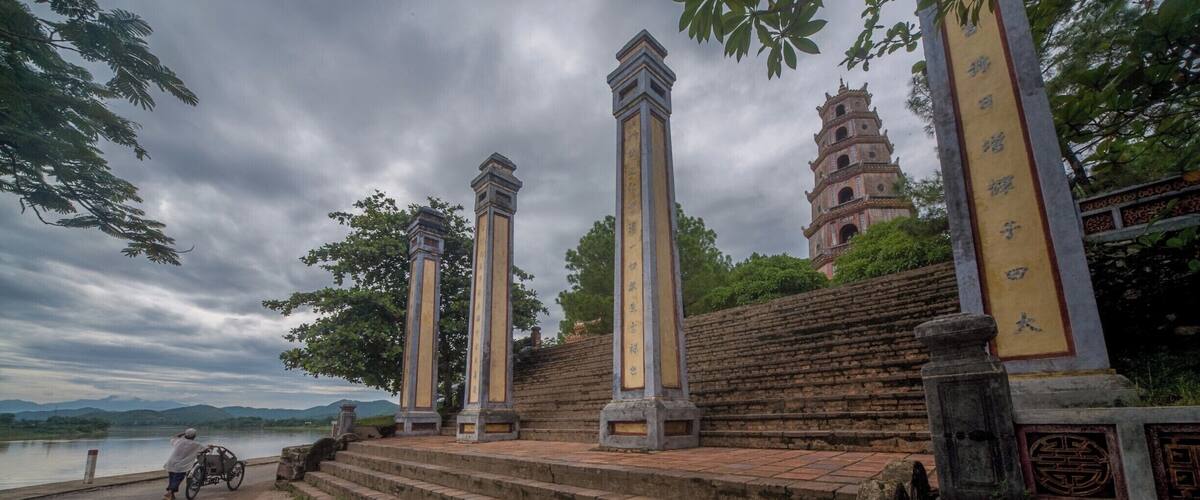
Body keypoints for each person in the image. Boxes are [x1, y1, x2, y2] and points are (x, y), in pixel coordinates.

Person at [162, 428, 209, 500]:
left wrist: (182, 434)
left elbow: (174, 438)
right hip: (181, 466)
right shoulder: (196, 444)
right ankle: (170, 492)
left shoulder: (179, 441)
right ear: (194, 436)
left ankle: (171, 494)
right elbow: (205, 449)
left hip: (171, 463)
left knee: (172, 479)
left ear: (185, 435)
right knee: (177, 479)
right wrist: (210, 447)